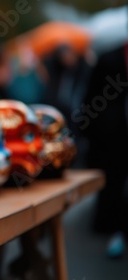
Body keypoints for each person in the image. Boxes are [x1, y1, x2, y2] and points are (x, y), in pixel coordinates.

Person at [83, 42, 128, 258]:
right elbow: (91, 97)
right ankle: (114, 230)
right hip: (112, 136)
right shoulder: (109, 58)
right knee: (113, 183)